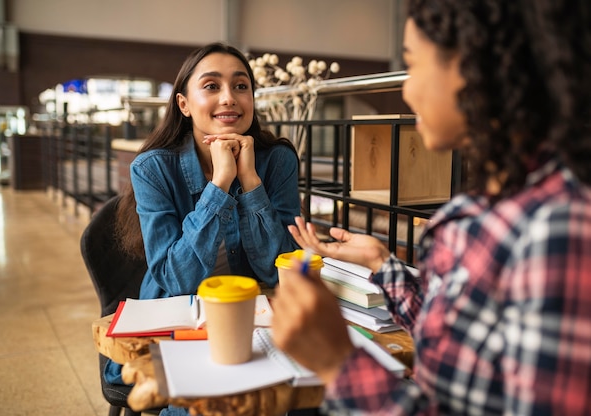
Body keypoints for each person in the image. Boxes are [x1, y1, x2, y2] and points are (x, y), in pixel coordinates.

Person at [271, 1, 591, 415]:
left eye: (414, 64)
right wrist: (381, 262)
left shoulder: (560, 230)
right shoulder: (492, 208)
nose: (406, 89)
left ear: (475, 64)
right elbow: (463, 341)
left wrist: (340, 363)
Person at [105, 42, 301, 413]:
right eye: (212, 86)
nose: (229, 98)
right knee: (200, 404)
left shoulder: (277, 160)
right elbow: (176, 279)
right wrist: (220, 185)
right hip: (178, 317)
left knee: (300, 394)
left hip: (255, 317)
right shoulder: (152, 169)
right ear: (184, 104)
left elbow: (279, 270)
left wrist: (251, 182)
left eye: (241, 86)